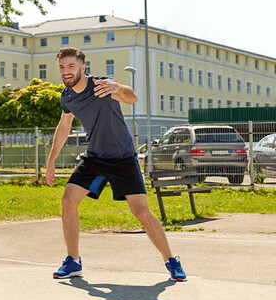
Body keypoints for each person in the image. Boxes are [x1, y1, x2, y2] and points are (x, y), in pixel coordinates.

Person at [45, 47, 186, 282]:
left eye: (71, 66)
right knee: (68, 200)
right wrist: (51, 162)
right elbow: (63, 126)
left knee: (140, 211)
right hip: (95, 157)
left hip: (122, 157)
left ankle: (171, 260)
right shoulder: (67, 96)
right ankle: (73, 261)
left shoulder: (102, 85)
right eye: (62, 67)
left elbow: (132, 97)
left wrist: (117, 88)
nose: (66, 71)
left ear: (83, 67)